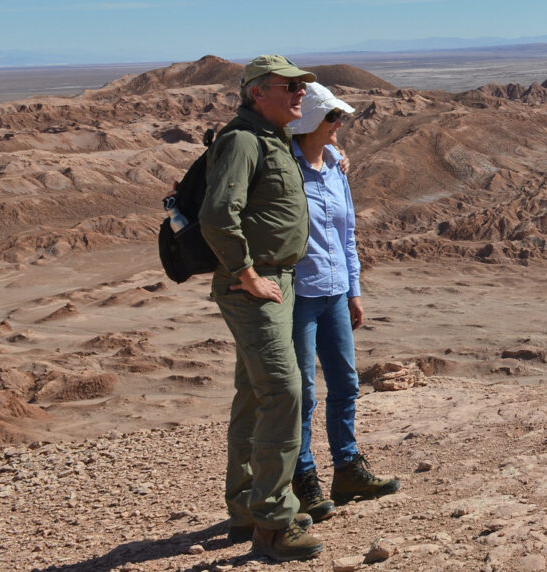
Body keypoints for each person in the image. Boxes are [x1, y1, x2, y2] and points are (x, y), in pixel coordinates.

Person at [199, 54, 325, 562]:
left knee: (255, 394)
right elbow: (217, 215)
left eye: (301, 86)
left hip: (278, 281)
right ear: (257, 93)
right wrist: (247, 274)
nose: (300, 93)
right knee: (283, 392)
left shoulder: (273, 138)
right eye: (289, 86)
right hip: (255, 285)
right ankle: (273, 522)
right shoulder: (243, 140)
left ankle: (246, 508)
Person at [284, 82, 401, 519]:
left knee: (346, 384)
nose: (340, 124)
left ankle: (348, 469)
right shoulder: (285, 168)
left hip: (334, 292)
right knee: (302, 394)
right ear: (313, 121)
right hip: (299, 295)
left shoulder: (335, 166)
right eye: (333, 117)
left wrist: (354, 290)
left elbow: (346, 234)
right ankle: (304, 481)